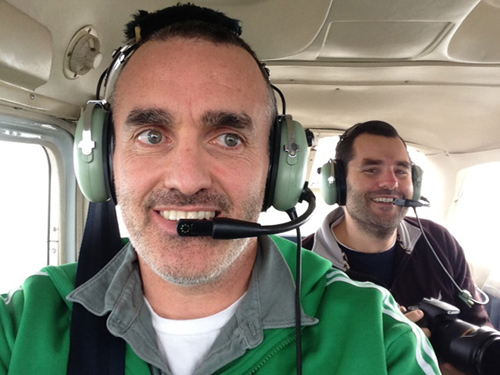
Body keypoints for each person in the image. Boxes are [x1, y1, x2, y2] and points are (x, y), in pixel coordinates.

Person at [0, 5, 441, 375]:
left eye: (229, 138)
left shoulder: (381, 341)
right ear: (101, 160)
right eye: (152, 136)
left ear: (278, 169)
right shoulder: (23, 325)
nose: (188, 179)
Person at [303, 120, 492, 374]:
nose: (391, 182)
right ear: (337, 182)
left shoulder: (438, 241)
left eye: (401, 171)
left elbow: (479, 327)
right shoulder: (304, 266)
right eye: (372, 169)